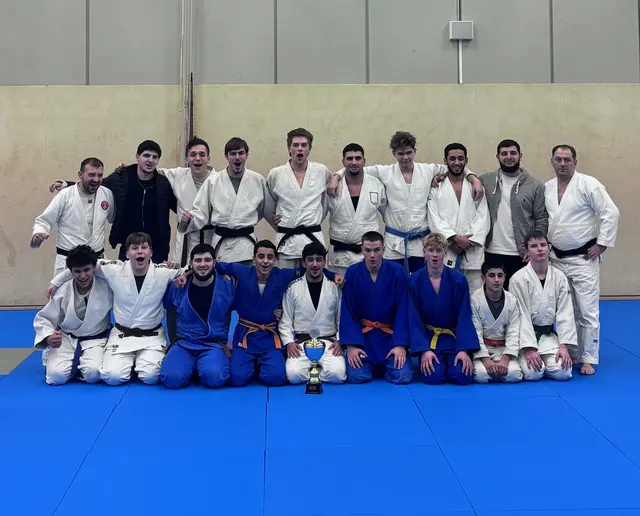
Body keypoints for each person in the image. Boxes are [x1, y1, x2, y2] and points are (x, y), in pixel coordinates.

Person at [328, 131, 483, 273]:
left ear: (415, 151)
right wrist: (336, 177)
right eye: (400, 153)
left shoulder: (428, 170)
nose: (405, 158)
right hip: (393, 243)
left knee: (418, 283)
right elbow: (354, 168)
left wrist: (474, 180)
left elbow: (456, 167)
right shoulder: (385, 172)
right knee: (395, 283)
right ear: (394, 153)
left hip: (419, 242)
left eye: (409, 152)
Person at [47, 232, 188, 385]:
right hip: (122, 336)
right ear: (127, 253)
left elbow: (191, 268)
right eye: (134, 248)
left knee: (151, 377)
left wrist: (187, 274)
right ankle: (132, 364)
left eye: (144, 247)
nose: (140, 251)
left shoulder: (163, 272)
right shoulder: (114, 269)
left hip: (151, 336)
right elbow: (82, 265)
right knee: (112, 377)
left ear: (151, 252)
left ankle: (139, 363)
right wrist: (56, 281)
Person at [211, 240, 340, 387]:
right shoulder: (241, 271)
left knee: (276, 378)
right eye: (261, 256)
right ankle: (251, 364)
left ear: (275, 260)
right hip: (245, 335)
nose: (265, 261)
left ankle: (260, 364)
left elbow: (312, 268)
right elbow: (212, 265)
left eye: (270, 257)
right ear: (253, 259)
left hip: (269, 337)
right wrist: (190, 272)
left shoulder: (282, 275)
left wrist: (333, 274)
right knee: (237, 379)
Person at [545, 145, 620, 375]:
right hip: (556, 258)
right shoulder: (547, 187)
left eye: (567, 159)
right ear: (552, 162)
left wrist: (602, 243)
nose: (562, 164)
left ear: (575, 162)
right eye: (558, 159)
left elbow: (611, 212)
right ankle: (573, 351)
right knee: (565, 309)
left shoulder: (589, 184)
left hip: (583, 258)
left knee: (587, 309)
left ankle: (588, 357)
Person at [50, 140, 177, 264]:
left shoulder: (163, 183)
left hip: (157, 247)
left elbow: (177, 206)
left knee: (156, 278)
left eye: (155, 157)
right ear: (137, 157)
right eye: (146, 155)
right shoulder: (122, 177)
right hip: (129, 246)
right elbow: (98, 184)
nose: (150, 160)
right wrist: (67, 184)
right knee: (126, 278)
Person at [339, 231, 413, 384]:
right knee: (356, 377)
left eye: (376, 250)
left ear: (383, 250)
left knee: (403, 376)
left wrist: (400, 345)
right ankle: (376, 367)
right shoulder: (352, 272)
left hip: (390, 338)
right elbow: (348, 311)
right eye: (368, 250)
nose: (372, 255)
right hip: (364, 339)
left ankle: (383, 367)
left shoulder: (397, 271)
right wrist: (352, 346)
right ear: (362, 250)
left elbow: (403, 309)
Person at [33, 245, 113, 385]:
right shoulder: (62, 290)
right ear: (70, 272)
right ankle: (73, 365)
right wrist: (48, 337)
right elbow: (44, 318)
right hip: (66, 339)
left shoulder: (106, 286)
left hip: (96, 339)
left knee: (93, 374)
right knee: (56, 377)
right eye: (77, 271)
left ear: (94, 268)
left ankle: (81, 367)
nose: (82, 276)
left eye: (86, 270)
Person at [180, 137, 266, 265]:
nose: (237, 157)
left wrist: (243, 220)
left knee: (246, 276)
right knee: (222, 276)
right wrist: (188, 220)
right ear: (226, 156)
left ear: (247, 155)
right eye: (232, 154)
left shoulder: (258, 180)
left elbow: (263, 209)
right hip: (222, 244)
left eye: (241, 153)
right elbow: (201, 211)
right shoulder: (213, 181)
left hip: (247, 244)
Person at [160, 244, 236, 389]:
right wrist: (172, 340)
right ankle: (190, 364)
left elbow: (246, 310)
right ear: (191, 263)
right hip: (184, 343)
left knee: (215, 378)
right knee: (171, 379)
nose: (202, 264)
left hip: (213, 344)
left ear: (214, 262)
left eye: (207, 260)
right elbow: (165, 306)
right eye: (198, 260)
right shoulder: (178, 285)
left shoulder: (228, 286)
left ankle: (202, 365)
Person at [408, 233, 479, 385]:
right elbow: (413, 318)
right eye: (431, 250)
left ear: (445, 253)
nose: (435, 255)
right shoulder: (414, 281)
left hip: (453, 339)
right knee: (433, 377)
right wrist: (424, 350)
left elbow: (464, 315)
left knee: (462, 376)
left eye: (439, 250)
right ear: (424, 253)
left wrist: (464, 350)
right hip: (429, 339)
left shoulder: (458, 280)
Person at [509, 231, 577, 381]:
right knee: (533, 374)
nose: (539, 249)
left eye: (543, 245)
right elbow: (520, 315)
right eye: (534, 246)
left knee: (564, 372)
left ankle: (546, 362)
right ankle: (531, 359)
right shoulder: (518, 279)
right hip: (524, 339)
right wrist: (529, 349)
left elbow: (565, 313)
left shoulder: (559, 277)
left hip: (548, 336)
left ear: (549, 248)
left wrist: (564, 346)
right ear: (527, 251)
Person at [480, 139, 548, 289]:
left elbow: (541, 219)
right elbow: (464, 177)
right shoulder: (485, 180)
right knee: (495, 296)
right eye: (504, 153)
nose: (509, 157)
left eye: (513, 153)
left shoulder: (535, 185)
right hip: (491, 251)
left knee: (522, 296)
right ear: (497, 157)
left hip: (522, 254)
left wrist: (533, 248)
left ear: (520, 156)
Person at [32, 158, 115, 275]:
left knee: (100, 288)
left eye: (100, 175)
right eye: (91, 175)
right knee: (64, 288)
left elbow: (114, 218)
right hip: (68, 262)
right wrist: (39, 232)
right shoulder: (65, 195)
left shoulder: (107, 194)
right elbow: (44, 220)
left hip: (97, 261)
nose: (96, 179)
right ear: (80, 175)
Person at [264, 128, 333, 269]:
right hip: (286, 243)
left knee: (315, 281)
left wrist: (315, 218)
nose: (300, 149)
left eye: (304, 145)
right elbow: (268, 204)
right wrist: (276, 221)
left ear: (309, 149)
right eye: (295, 145)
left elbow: (326, 201)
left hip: (313, 239)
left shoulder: (321, 171)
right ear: (289, 148)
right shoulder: (276, 174)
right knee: (285, 281)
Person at [280, 243, 346, 385]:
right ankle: (315, 371)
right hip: (301, 343)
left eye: (319, 260)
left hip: (329, 342)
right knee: (293, 375)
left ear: (324, 262)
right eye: (310, 260)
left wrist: (340, 340)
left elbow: (341, 318)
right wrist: (289, 342)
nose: (315, 264)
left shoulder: (334, 287)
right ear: (303, 263)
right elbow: (286, 319)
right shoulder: (293, 287)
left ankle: (315, 372)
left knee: (337, 374)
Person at [427, 143, 489, 292]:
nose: (456, 162)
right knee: (446, 294)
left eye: (460, 158)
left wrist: (468, 241)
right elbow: (433, 217)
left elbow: (483, 217)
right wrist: (453, 238)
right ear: (445, 160)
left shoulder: (476, 187)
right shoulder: (437, 187)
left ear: (466, 160)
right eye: (452, 158)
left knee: (474, 296)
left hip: (472, 251)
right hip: (448, 250)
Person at [327, 143, 386, 276]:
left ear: (364, 161)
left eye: (358, 158)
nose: (354, 162)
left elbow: (387, 214)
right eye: (349, 158)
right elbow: (318, 215)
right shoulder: (332, 187)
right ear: (343, 162)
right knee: (340, 289)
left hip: (368, 256)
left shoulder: (376, 185)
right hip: (339, 255)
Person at [156, 137, 215, 266]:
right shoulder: (178, 175)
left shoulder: (218, 180)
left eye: (202, 154)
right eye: (193, 154)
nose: (197, 158)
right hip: (186, 239)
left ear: (208, 158)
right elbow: (150, 171)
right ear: (186, 159)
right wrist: (129, 169)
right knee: (182, 273)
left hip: (211, 238)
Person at [471, 260, 523, 383]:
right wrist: (485, 359)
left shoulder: (512, 300)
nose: (496, 280)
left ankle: (501, 366)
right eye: (491, 275)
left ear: (504, 277)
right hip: (483, 349)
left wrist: (505, 359)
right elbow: (475, 332)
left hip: (504, 349)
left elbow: (514, 332)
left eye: (500, 275)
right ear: (483, 278)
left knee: (514, 375)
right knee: (481, 376)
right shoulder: (474, 300)